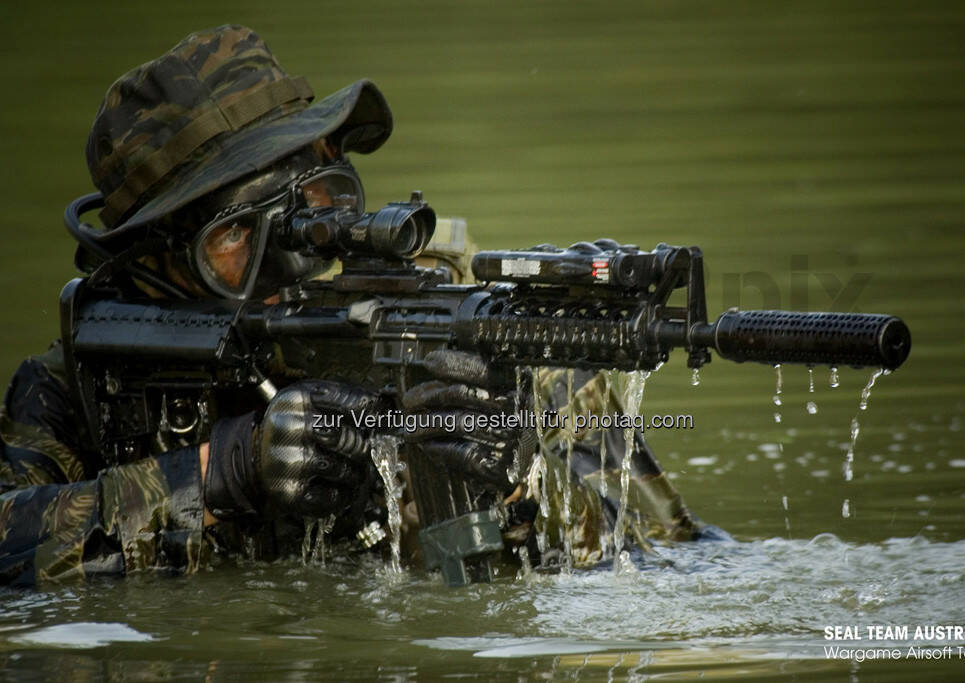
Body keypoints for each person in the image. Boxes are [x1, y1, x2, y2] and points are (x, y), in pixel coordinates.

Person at [0, 25, 706, 587]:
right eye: (238, 234)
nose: (297, 258)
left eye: (319, 202)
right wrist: (218, 473)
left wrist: (515, 498)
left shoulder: (487, 337)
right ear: (154, 262)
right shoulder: (74, 388)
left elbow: (673, 565)